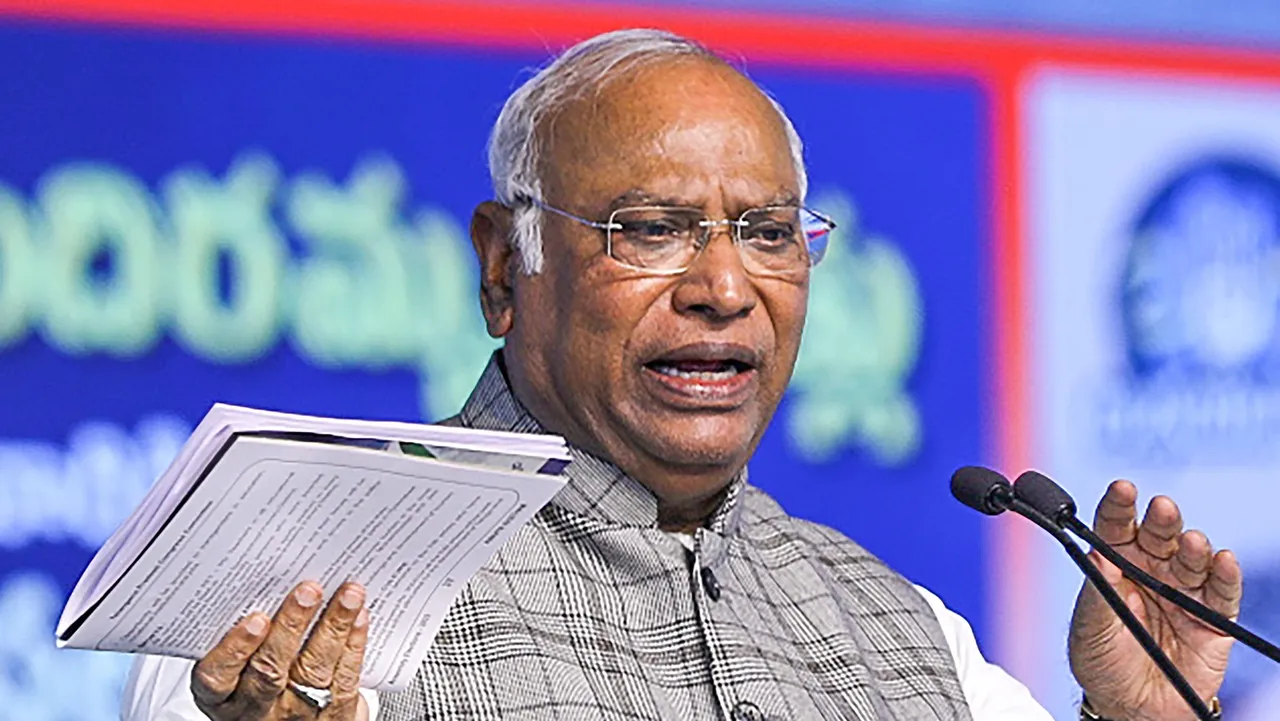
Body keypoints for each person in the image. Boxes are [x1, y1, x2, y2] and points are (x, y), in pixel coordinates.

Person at [121, 29, 1242, 721]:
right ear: (506, 269)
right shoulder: (295, 598)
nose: (723, 285)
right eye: (651, 228)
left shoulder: (905, 632)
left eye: (766, 231)